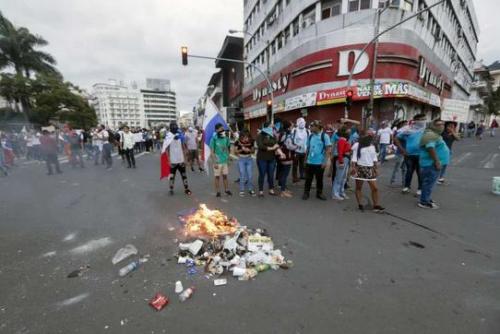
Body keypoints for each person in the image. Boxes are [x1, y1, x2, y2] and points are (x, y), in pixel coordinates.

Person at [418, 119, 449, 209]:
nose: (442, 126)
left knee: (429, 183)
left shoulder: (434, 134)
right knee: (429, 183)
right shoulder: (430, 135)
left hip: (431, 164)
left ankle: (426, 198)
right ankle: (424, 202)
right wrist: (436, 161)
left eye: (443, 124)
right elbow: (430, 148)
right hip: (431, 164)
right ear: (433, 125)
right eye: (439, 125)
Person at [351, 133, 384, 212]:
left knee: (375, 188)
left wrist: (376, 169)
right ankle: (360, 204)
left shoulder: (372, 146)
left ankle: (376, 205)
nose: (371, 140)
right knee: (359, 187)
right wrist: (353, 167)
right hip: (360, 168)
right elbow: (354, 157)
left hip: (370, 169)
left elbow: (374, 158)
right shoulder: (357, 145)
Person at [394, 114, 427, 195]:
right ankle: (407, 187)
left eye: (424, 119)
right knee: (409, 171)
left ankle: (420, 189)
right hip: (409, 155)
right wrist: (402, 150)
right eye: (421, 119)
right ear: (415, 120)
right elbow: (396, 138)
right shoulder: (408, 129)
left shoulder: (426, 130)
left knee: (420, 172)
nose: (423, 121)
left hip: (421, 154)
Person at [302, 120, 331, 201]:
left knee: (319, 179)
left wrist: (325, 162)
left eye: (313, 126)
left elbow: (328, 150)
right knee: (308, 179)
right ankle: (306, 193)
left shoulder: (324, 136)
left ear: (318, 127)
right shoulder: (311, 136)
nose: (311, 127)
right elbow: (308, 148)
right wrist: (305, 159)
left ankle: (319, 193)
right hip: (309, 161)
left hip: (319, 162)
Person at [162, 122, 192, 195]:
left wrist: (185, 158)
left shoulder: (180, 135)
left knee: (184, 175)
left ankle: (186, 188)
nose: (175, 127)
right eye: (173, 126)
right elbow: (166, 149)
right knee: (172, 176)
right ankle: (171, 189)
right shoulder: (168, 136)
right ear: (171, 127)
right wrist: (168, 159)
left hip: (181, 159)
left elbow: (184, 147)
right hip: (173, 161)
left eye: (176, 126)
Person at [256, 122, 280, 197]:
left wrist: (280, 153)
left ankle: (271, 189)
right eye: (271, 126)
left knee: (271, 174)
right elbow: (261, 146)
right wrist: (271, 148)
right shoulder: (260, 135)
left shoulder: (273, 136)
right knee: (262, 174)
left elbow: (276, 145)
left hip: (272, 158)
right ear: (266, 127)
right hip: (262, 158)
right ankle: (261, 191)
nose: (272, 127)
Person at [210, 123, 232, 197]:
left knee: (225, 176)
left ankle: (227, 190)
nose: (222, 130)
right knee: (217, 177)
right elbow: (212, 152)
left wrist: (228, 158)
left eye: (223, 129)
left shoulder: (226, 138)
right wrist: (215, 162)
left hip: (224, 161)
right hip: (217, 162)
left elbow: (227, 149)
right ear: (216, 130)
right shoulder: (213, 139)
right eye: (220, 129)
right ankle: (218, 191)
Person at [277, 121, 297, 198]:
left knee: (283, 173)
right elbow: (289, 146)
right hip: (286, 156)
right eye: (292, 126)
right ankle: (282, 191)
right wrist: (297, 146)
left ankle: (284, 188)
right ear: (288, 127)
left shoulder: (282, 133)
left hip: (282, 155)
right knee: (285, 174)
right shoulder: (287, 135)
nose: (292, 127)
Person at [332, 127, 351, 200]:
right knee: (339, 177)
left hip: (345, 159)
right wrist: (341, 162)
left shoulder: (344, 140)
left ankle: (341, 192)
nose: (349, 133)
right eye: (348, 131)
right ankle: (335, 193)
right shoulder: (341, 140)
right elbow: (340, 151)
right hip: (342, 159)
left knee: (343, 178)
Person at [235, 129, 256, 197]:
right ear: (241, 136)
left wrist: (249, 150)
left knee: (250, 175)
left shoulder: (251, 141)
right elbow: (235, 152)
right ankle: (242, 190)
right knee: (242, 174)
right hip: (241, 159)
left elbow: (253, 151)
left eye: (247, 137)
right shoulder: (237, 142)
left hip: (249, 159)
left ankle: (250, 189)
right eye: (244, 137)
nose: (246, 138)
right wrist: (242, 149)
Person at [390, 120, 408, 186]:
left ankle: (404, 182)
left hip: (406, 153)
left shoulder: (407, 132)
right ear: (401, 125)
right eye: (405, 124)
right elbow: (395, 142)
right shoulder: (399, 132)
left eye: (407, 124)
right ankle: (393, 182)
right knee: (397, 168)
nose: (407, 126)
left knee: (404, 168)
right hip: (400, 153)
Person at [292, 117, 309, 183]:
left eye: (303, 122)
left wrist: (307, 148)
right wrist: (295, 146)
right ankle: (295, 177)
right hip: (296, 150)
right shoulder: (294, 130)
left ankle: (302, 175)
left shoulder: (307, 130)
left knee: (303, 164)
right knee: (295, 165)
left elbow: (308, 139)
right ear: (298, 123)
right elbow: (292, 139)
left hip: (304, 151)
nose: (302, 124)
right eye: (301, 122)